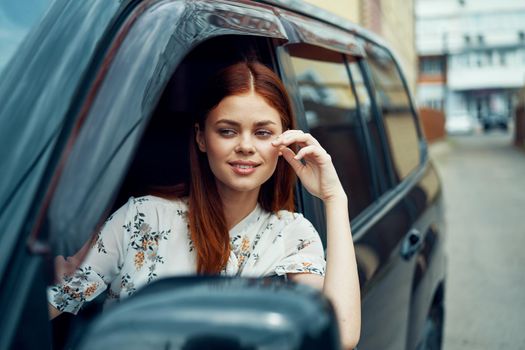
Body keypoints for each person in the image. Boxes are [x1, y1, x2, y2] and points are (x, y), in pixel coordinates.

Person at [47, 61, 361, 349]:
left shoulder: (291, 234)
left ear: (284, 144)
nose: (246, 147)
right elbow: (59, 299)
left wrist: (335, 198)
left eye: (263, 133)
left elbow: (343, 335)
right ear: (201, 138)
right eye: (227, 131)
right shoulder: (142, 217)